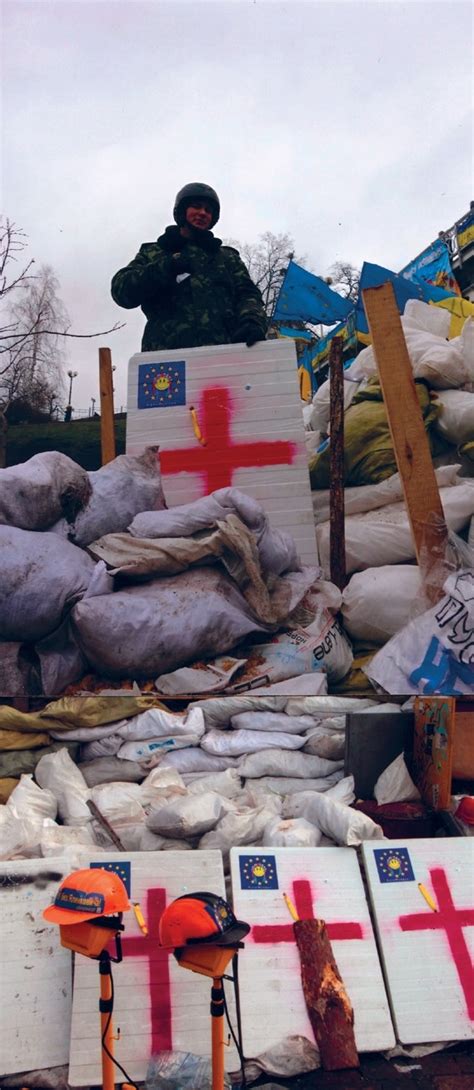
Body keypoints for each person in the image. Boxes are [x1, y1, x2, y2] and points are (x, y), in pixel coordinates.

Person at [111, 183, 267, 352]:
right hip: (167, 362)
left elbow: (247, 294)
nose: (202, 213)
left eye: (208, 210)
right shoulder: (155, 253)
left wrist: (252, 321)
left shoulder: (227, 259)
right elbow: (122, 291)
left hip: (222, 356)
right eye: (196, 206)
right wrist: (165, 268)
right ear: (182, 211)